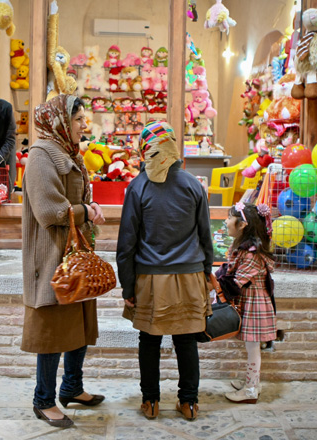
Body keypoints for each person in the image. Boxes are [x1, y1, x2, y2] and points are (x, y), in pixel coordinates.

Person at [117, 120, 214, 422]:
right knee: (186, 340)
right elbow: (205, 238)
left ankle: (151, 402)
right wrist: (206, 273)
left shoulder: (138, 186)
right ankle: (189, 403)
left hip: (150, 278)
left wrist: (128, 287)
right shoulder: (193, 185)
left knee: (149, 340)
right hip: (189, 277)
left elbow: (126, 246)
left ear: (147, 150)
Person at [20, 94, 106, 429]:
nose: (85, 125)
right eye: (78, 119)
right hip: (51, 256)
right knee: (53, 330)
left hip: (72, 252)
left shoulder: (68, 153)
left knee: (78, 324)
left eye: (85, 118)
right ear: (58, 121)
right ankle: (43, 399)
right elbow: (47, 211)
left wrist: (87, 208)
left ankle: (72, 387)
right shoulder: (42, 156)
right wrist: (88, 211)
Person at [221, 202, 277, 404]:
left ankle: (251, 389)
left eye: (229, 217)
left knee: (253, 348)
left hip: (255, 306)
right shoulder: (245, 248)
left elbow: (235, 281)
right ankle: (252, 382)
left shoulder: (252, 253)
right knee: (251, 347)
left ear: (242, 224)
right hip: (251, 304)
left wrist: (214, 284)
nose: (226, 221)